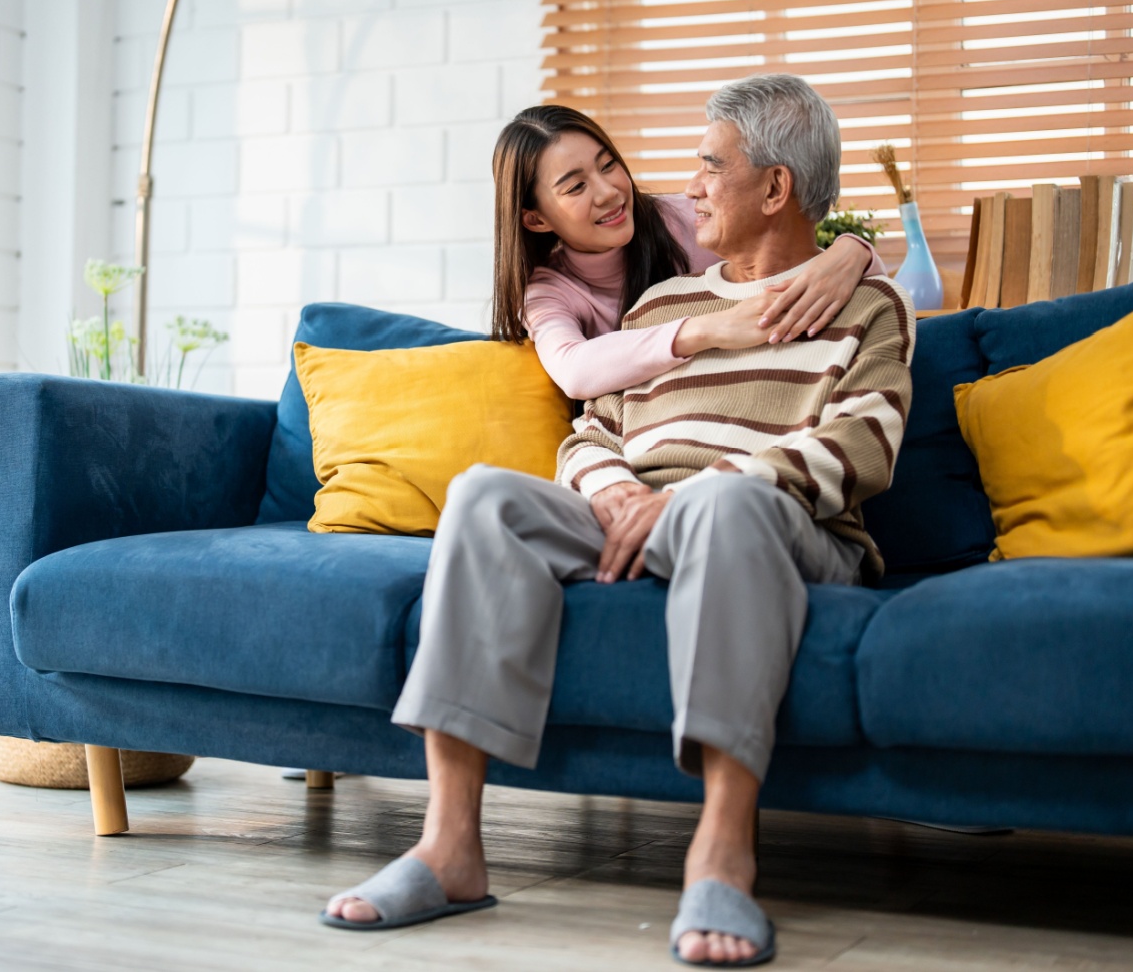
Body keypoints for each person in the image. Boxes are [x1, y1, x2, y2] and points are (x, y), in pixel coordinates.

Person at [320, 74, 916, 968]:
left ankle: (722, 852)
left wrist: (706, 485)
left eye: (710, 166)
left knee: (724, 502)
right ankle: (450, 848)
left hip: (771, 518)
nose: (687, 186)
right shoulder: (659, 305)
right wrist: (618, 493)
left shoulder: (869, 304)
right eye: (576, 183)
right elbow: (590, 430)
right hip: (646, 513)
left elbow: (864, 445)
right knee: (485, 495)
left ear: (775, 188)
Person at [491, 104, 886, 402]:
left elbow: (796, 254)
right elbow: (575, 371)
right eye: (576, 187)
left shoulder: (688, 219)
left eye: (608, 165)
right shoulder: (548, 291)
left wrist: (853, 252)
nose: (609, 191)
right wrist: (712, 328)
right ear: (536, 220)